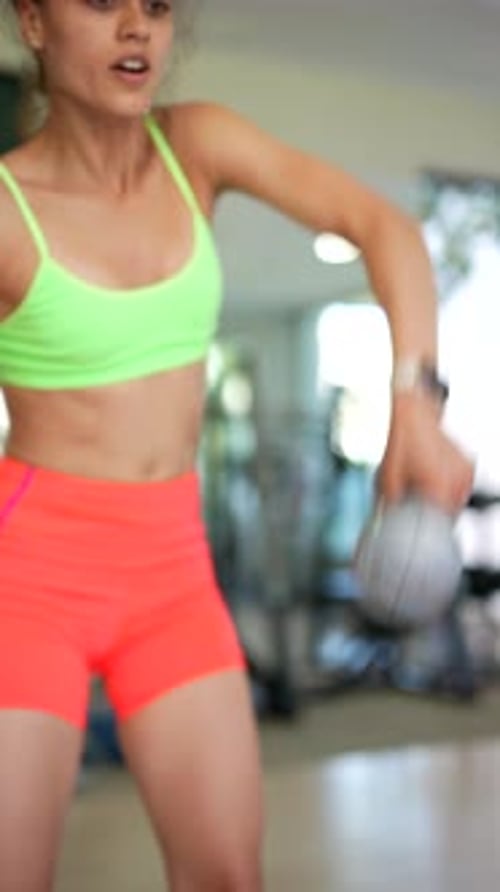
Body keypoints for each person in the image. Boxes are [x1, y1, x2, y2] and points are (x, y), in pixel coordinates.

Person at [0, 1, 474, 891]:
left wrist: (416, 400)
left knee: (227, 875)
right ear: (32, 20)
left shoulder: (196, 146)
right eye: (101, 1)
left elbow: (385, 227)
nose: (136, 26)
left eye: (156, 5)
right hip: (27, 578)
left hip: (171, 574)